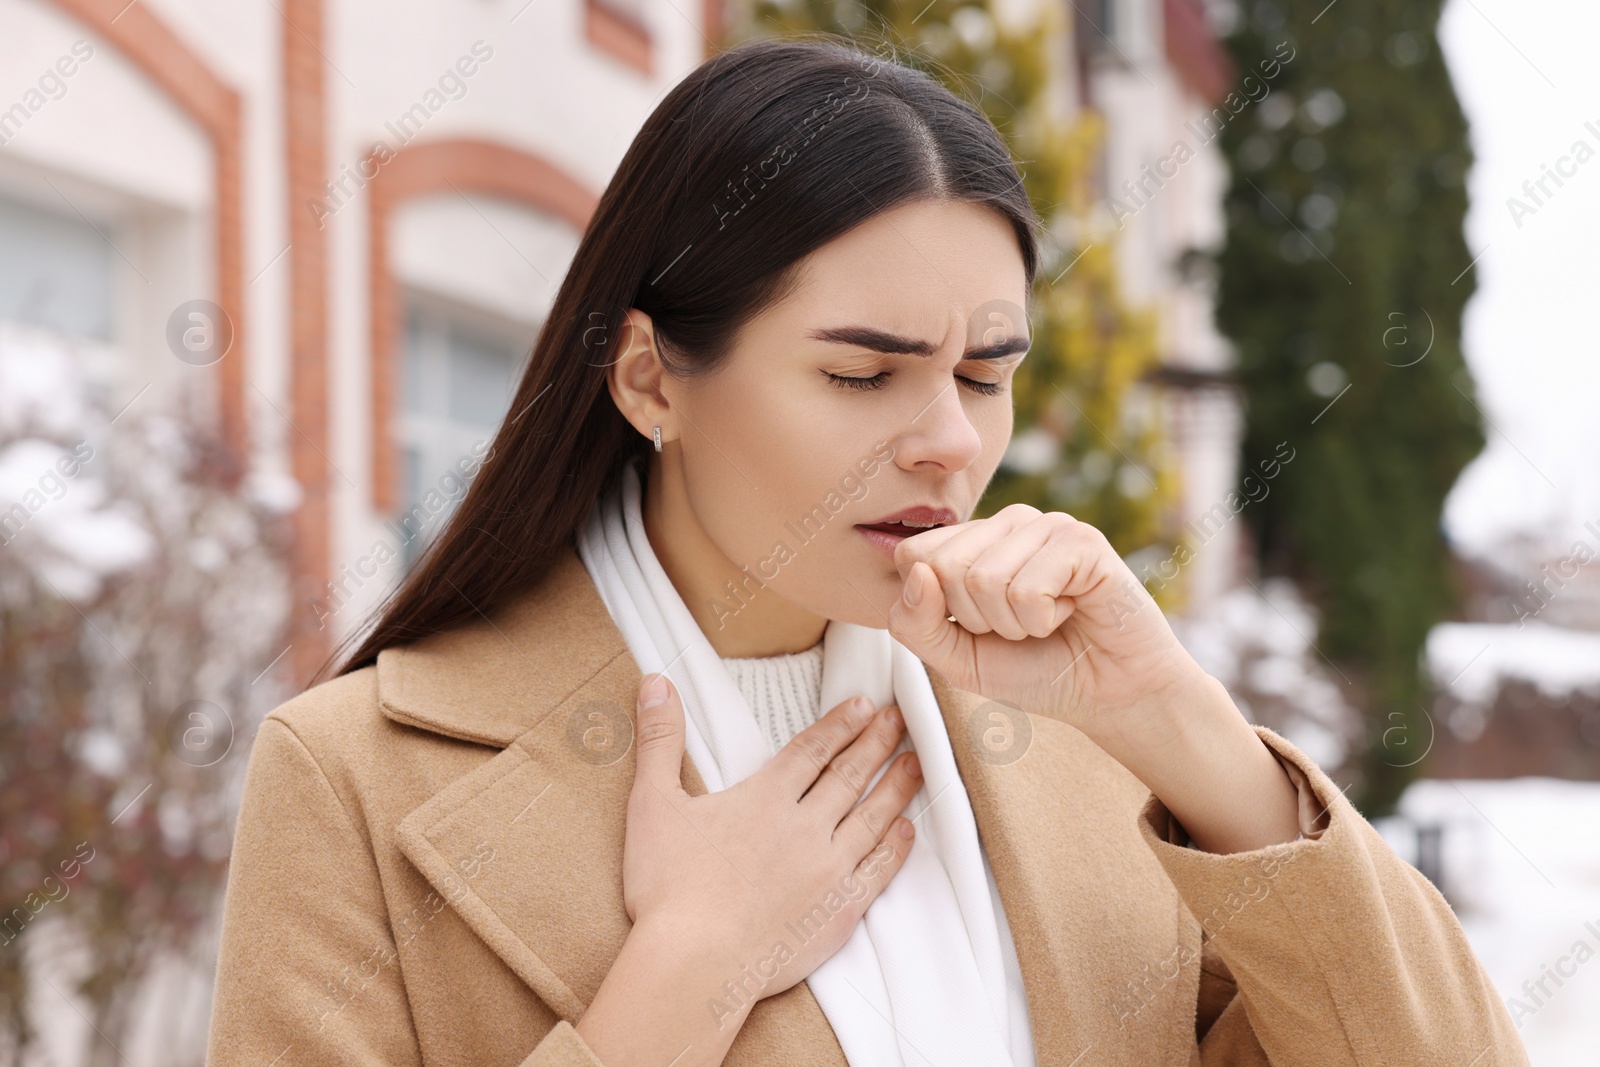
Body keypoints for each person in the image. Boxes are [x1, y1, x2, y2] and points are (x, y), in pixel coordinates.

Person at [204, 35, 1528, 1067]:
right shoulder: (355, 781)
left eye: (987, 373)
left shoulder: (1081, 746)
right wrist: (690, 972)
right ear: (652, 378)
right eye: (862, 374)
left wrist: (1188, 731)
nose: (951, 440)